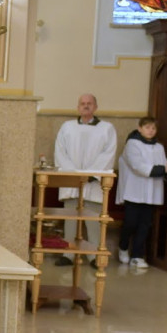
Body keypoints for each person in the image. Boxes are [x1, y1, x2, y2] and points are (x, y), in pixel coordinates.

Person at [53, 94, 117, 265]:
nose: (86, 106)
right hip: (72, 181)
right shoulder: (67, 127)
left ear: (95, 107)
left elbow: (108, 153)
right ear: (78, 107)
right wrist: (73, 174)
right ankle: (68, 253)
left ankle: (94, 256)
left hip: (93, 182)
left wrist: (91, 174)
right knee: (70, 219)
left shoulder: (107, 128)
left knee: (93, 221)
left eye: (89, 103)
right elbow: (60, 152)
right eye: (82, 103)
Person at [115, 117, 167, 269]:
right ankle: (123, 246)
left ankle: (137, 256)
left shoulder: (159, 147)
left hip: (152, 191)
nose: (150, 131)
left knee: (145, 225)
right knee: (131, 222)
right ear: (140, 128)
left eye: (153, 128)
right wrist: (163, 169)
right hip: (134, 190)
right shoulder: (132, 144)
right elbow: (138, 166)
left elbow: (163, 163)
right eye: (147, 127)